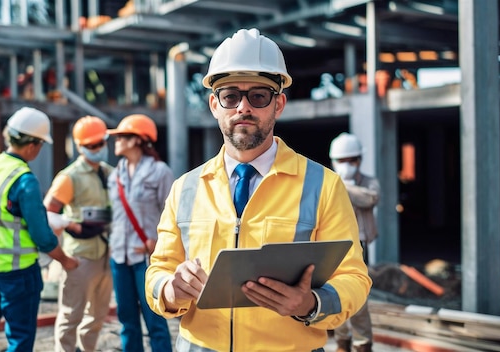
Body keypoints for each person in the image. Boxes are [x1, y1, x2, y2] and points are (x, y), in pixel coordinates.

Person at [144, 28, 372, 352]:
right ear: (214, 104)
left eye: (259, 96)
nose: (243, 108)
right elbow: (158, 271)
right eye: (230, 96)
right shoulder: (186, 188)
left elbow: (354, 278)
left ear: (278, 104)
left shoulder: (323, 185)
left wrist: (310, 304)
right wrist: (169, 289)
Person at [0, 107, 79, 351]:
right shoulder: (25, 180)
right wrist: (65, 260)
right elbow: (41, 235)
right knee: (20, 338)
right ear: (32, 145)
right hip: (17, 273)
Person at [43, 116, 114, 352]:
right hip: (81, 256)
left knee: (97, 316)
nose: (97, 149)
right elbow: (47, 212)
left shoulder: (110, 172)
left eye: (100, 144)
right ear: (80, 147)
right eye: (91, 146)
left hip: (106, 254)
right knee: (71, 316)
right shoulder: (69, 177)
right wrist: (70, 223)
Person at [106, 114, 174, 352]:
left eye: (121, 137)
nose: (116, 141)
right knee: (127, 322)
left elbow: (171, 214)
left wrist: (159, 243)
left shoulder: (160, 172)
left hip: (146, 258)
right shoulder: (115, 175)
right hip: (119, 257)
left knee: (155, 320)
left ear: (137, 140)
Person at [329, 132, 380, 352]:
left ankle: (362, 343)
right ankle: (342, 341)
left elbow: (369, 198)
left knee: (359, 298)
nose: (348, 165)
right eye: (342, 160)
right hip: (334, 245)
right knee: (335, 294)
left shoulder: (367, 182)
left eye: (352, 160)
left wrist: (340, 185)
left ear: (360, 159)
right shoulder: (327, 181)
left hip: (359, 245)